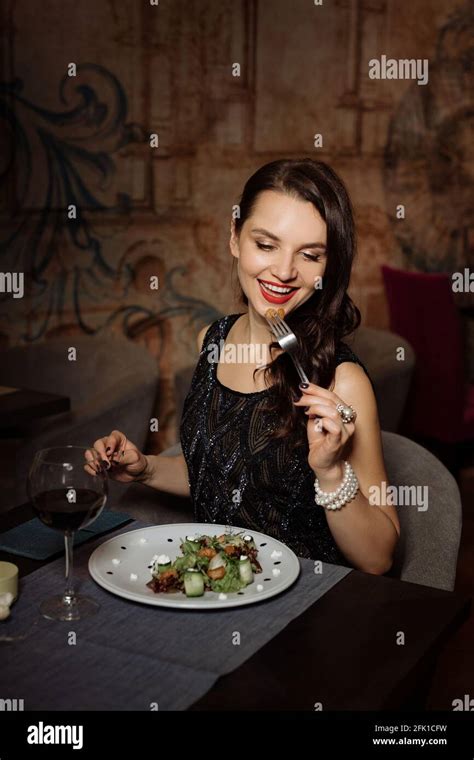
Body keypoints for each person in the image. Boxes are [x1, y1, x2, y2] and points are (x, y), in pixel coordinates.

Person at [91, 158, 400, 574]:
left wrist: (330, 473)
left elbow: (379, 557)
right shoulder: (212, 341)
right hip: (218, 588)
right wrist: (145, 468)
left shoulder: (343, 381)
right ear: (235, 238)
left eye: (309, 255)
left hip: (304, 603)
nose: (285, 271)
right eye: (266, 245)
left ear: (329, 267)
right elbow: (220, 477)